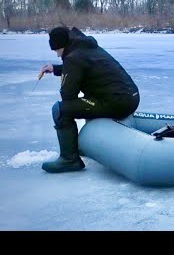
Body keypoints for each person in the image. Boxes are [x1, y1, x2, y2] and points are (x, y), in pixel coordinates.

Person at [40, 26, 140, 173]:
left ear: (61, 46)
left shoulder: (73, 58)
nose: (57, 55)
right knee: (87, 101)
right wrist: (56, 69)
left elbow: (68, 95)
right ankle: (84, 147)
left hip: (116, 102)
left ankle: (69, 160)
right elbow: (81, 66)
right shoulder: (86, 47)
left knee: (60, 110)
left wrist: (67, 75)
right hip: (130, 97)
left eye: (56, 51)